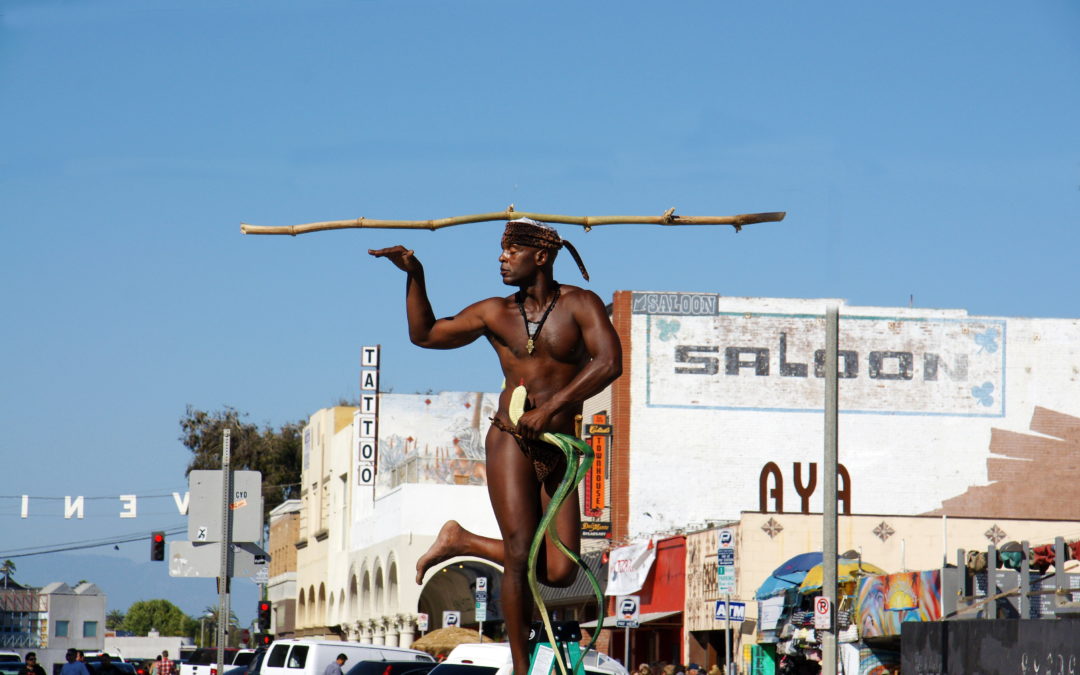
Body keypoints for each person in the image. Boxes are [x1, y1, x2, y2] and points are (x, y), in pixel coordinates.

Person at [370, 217, 622, 675]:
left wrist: (554, 407)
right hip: (511, 440)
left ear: (541, 257)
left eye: (512, 251)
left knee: (561, 570)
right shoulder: (494, 313)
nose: (501, 259)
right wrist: (414, 274)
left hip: (560, 444)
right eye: (501, 251)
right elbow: (424, 334)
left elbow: (609, 362)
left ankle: (461, 539)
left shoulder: (581, 305)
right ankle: (521, 668)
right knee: (521, 552)